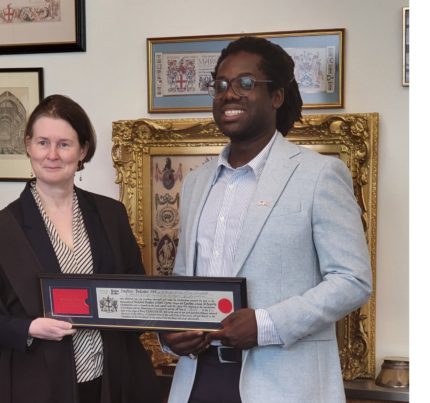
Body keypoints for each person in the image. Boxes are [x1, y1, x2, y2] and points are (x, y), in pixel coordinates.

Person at [159, 37, 372, 403]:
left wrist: (265, 325)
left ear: (276, 96)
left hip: (284, 384)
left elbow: (352, 280)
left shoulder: (319, 174)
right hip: (198, 378)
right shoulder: (195, 182)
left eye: (245, 84)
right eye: (221, 85)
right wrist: (172, 333)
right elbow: (184, 281)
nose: (229, 94)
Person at [0, 95, 162, 403]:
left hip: (113, 382)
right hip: (36, 386)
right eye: (42, 142)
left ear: (83, 150)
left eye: (64, 144)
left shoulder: (110, 215)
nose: (52, 155)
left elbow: (135, 288)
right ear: (28, 146)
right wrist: (28, 327)